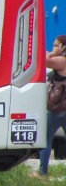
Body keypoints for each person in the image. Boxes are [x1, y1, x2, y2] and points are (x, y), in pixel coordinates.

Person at [37, 35, 66, 176]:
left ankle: (42, 172)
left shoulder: (61, 60)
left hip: (58, 108)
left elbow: (41, 61)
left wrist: (53, 54)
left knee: (45, 138)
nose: (53, 47)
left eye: (56, 45)